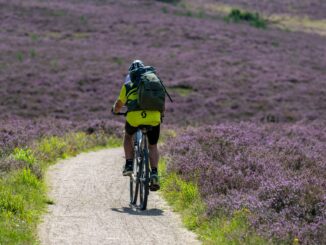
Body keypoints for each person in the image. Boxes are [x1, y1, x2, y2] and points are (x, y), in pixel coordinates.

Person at [112, 60, 162, 191]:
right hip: (154, 118)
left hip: (134, 118)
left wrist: (115, 110)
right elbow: (161, 103)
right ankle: (155, 173)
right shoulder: (154, 83)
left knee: (128, 136)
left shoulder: (128, 85)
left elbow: (119, 105)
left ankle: (129, 164)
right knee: (153, 145)